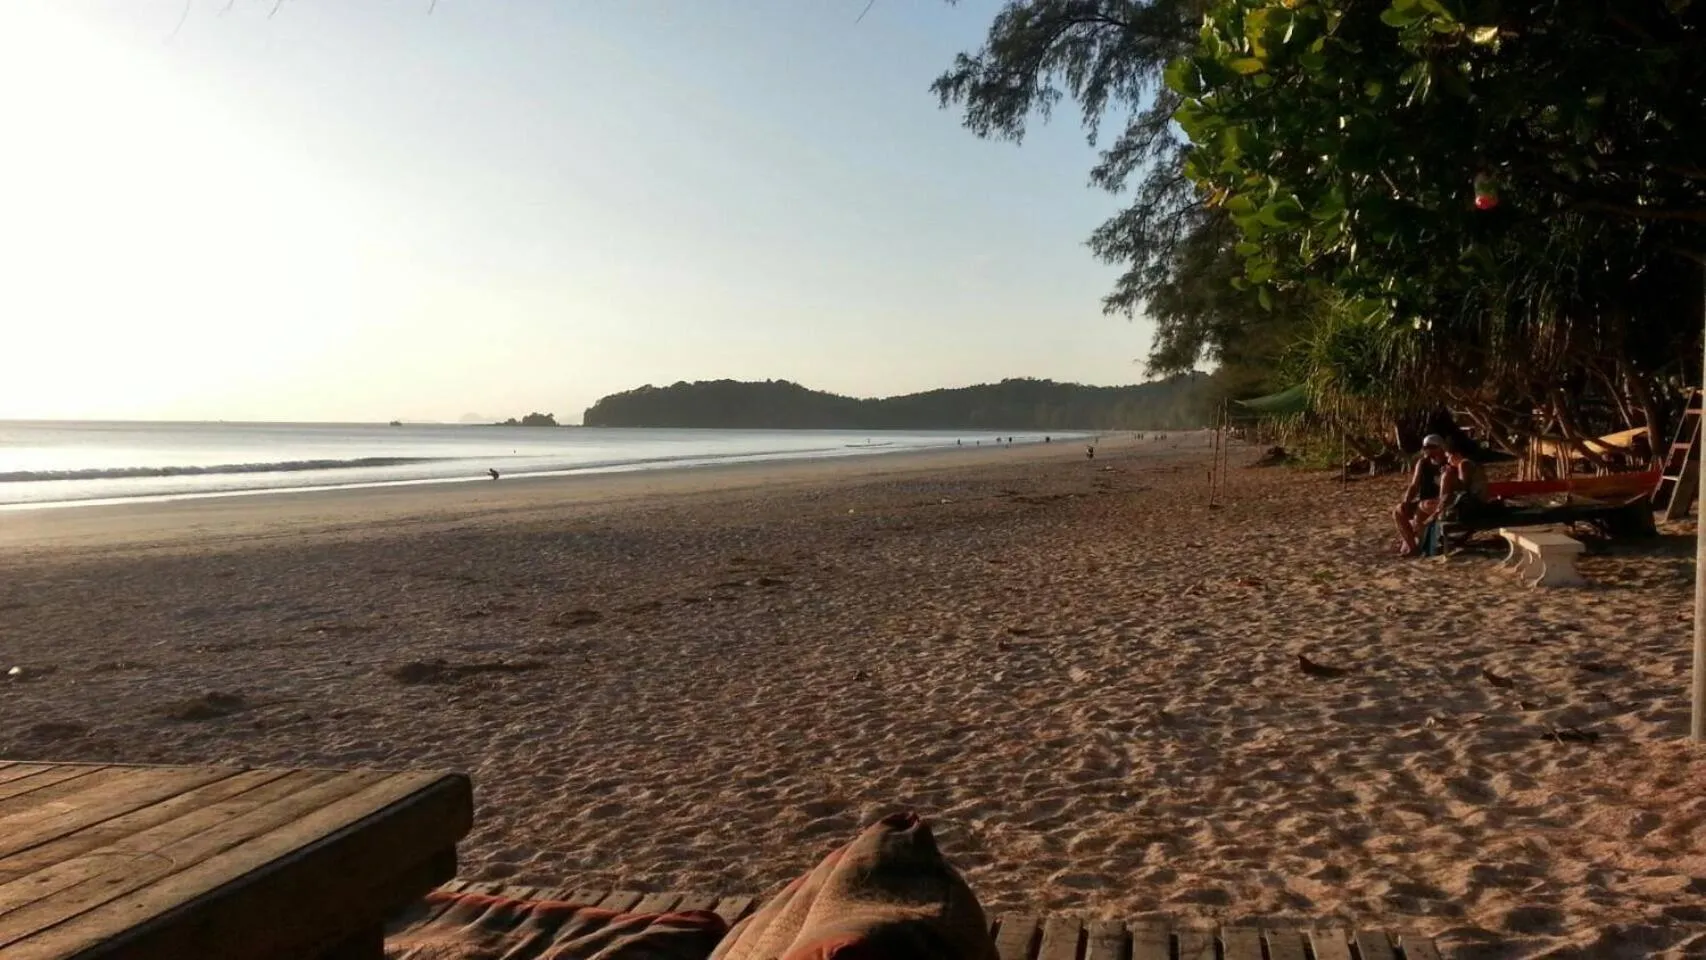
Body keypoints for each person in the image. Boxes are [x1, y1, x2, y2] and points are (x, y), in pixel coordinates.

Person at [1393, 434, 1449, 556]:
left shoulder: (1447, 463)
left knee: (1422, 509)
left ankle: (1424, 544)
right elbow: (1414, 485)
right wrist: (1407, 501)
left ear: (1439, 448)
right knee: (1399, 511)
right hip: (1424, 502)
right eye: (1425, 447)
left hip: (1439, 502)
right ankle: (1413, 547)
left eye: (1431, 447)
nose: (1427, 450)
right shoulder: (1423, 463)